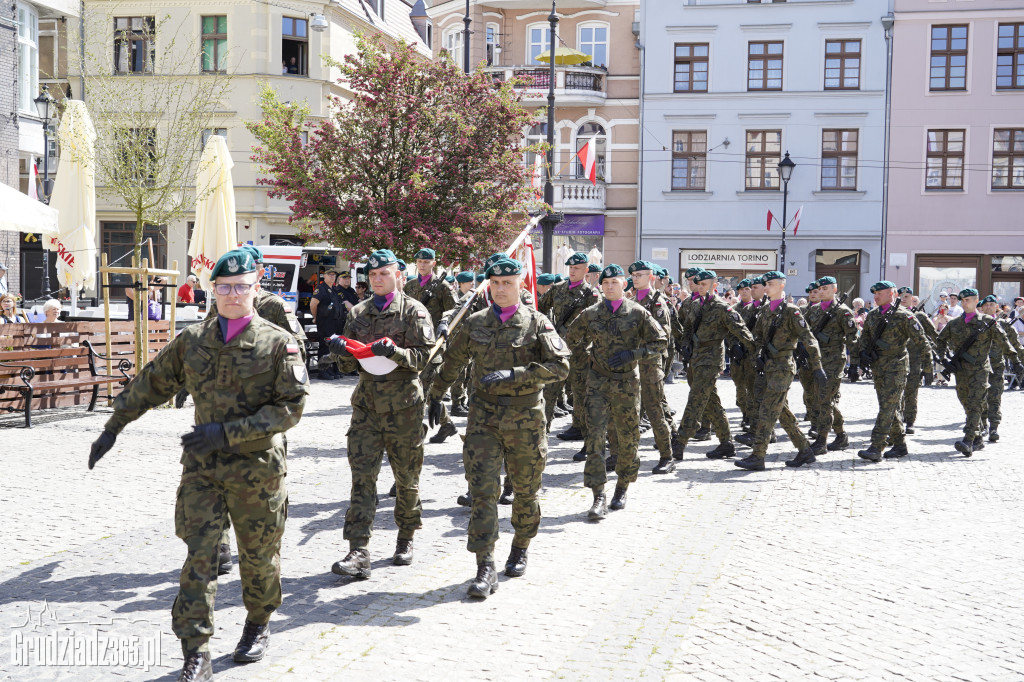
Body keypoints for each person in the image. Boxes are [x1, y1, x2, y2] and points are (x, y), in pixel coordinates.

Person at [87, 248, 309, 682]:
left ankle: (259, 622)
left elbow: (291, 409)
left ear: (256, 285)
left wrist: (227, 433)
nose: (231, 294)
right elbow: (152, 382)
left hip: (257, 470)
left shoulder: (278, 343)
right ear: (213, 290)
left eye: (241, 286)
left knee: (258, 557)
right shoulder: (194, 340)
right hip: (202, 469)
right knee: (199, 557)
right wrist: (114, 426)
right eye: (223, 287)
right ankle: (196, 650)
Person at [428, 257, 569, 597]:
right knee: (483, 493)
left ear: (520, 284)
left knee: (525, 491)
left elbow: (560, 367)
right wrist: (435, 393)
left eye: (508, 283)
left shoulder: (537, 323)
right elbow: (453, 360)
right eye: (495, 283)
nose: (501, 289)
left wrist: (517, 374)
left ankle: (520, 547)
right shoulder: (476, 322)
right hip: (484, 420)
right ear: (488, 285)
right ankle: (484, 565)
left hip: (526, 422)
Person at [328, 249, 434, 580]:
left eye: (384, 274)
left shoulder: (414, 311)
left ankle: (406, 537)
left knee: (406, 478)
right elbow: (350, 364)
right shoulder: (358, 312)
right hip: (367, 407)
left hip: (404, 408)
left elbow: (424, 358)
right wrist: (340, 352)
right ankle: (358, 550)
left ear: (397, 276)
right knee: (362, 478)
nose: (377, 279)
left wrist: (397, 352)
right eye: (372, 275)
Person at [566, 264, 667, 519]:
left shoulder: (638, 313)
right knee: (595, 439)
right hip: (598, 383)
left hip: (626, 384)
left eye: (615, 282)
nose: (610, 286)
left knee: (628, 438)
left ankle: (622, 487)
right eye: (606, 283)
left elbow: (661, 341)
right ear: (601, 285)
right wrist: (584, 355)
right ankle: (598, 495)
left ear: (624, 284)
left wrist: (635, 354)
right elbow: (568, 339)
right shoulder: (590, 313)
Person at [733, 271, 825, 471]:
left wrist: (817, 367)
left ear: (782, 285)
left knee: (767, 410)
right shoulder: (765, 310)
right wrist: (752, 352)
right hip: (766, 366)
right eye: (765, 284)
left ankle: (758, 456)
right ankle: (805, 450)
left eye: (771, 284)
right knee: (780, 410)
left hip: (782, 366)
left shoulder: (792, 311)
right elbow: (757, 338)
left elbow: (809, 339)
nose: (766, 287)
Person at [667, 269, 755, 469]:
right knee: (711, 401)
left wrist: (754, 354)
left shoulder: (722, 308)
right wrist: (685, 343)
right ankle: (726, 443)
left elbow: (742, 331)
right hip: (696, 358)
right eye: (698, 285)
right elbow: (687, 327)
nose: (700, 288)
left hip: (711, 359)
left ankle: (680, 442)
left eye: (704, 285)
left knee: (696, 399)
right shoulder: (696, 304)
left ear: (715, 286)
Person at [851, 281, 930, 462]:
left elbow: (922, 341)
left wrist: (928, 368)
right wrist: (861, 355)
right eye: (875, 293)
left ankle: (876, 446)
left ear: (892, 294)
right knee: (889, 407)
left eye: (880, 293)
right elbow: (864, 339)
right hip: (879, 368)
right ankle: (900, 445)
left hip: (897, 367)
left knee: (887, 407)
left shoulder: (904, 316)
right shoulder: (872, 315)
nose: (876, 296)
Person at [936, 288, 1020, 456]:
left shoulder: (987, 322)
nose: (965, 303)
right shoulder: (955, 324)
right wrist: (945, 360)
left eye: (968, 300)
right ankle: (978, 439)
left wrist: (1016, 361)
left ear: (976, 301)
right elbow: (940, 342)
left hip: (980, 370)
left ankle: (968, 440)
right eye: (963, 300)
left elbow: (1004, 342)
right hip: (960, 371)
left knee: (975, 403)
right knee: (966, 402)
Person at [538, 252, 601, 448]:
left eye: (577, 268)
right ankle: (542, 429)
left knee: (579, 391)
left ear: (586, 270)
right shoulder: (557, 289)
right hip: (556, 349)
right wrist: (547, 329)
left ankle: (578, 426)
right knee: (550, 389)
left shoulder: (591, 295)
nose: (572, 271)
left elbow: (596, 322)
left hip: (580, 350)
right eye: (571, 268)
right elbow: (539, 309)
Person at [628, 261, 679, 472]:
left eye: (639, 275)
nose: (635, 278)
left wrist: (640, 351)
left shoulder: (658, 303)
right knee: (628, 411)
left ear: (650, 278)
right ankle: (624, 455)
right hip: (630, 364)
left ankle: (667, 456)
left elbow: (663, 337)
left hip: (649, 364)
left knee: (654, 409)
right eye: (633, 275)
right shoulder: (628, 301)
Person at [403, 247, 459, 443]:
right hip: (412, 345)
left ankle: (416, 433)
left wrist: (444, 324)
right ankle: (446, 423)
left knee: (422, 388)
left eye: (426, 262)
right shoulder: (409, 286)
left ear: (433, 263)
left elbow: (455, 312)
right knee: (421, 390)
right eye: (419, 262)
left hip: (434, 346)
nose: (422, 265)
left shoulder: (443, 286)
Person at [807, 277, 859, 454]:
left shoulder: (843, 312)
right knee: (823, 400)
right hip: (816, 360)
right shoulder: (812, 311)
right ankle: (841, 435)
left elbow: (853, 338)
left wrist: (855, 365)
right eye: (819, 288)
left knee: (824, 400)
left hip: (834, 361)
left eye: (825, 288)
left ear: (834, 289)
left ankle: (821, 441)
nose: (821, 291)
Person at [980, 294, 1024, 441]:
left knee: (995, 397)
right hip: (978, 368)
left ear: (996, 307)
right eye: (986, 305)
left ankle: (993, 428)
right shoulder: (976, 324)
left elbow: (1016, 346)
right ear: (981, 307)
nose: (988, 307)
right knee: (979, 398)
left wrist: (1020, 363)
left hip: (997, 367)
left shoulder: (1005, 325)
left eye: (992, 305)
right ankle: (981, 424)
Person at [897, 287, 938, 434]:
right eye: (901, 295)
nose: (903, 298)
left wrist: (930, 363)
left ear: (912, 299)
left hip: (914, 360)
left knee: (911, 391)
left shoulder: (919, 316)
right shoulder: (892, 314)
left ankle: (910, 421)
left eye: (907, 296)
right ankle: (897, 418)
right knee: (896, 391)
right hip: (896, 359)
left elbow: (934, 334)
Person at [311, 269, 344, 379]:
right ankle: (323, 371)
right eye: (329, 275)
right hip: (325, 322)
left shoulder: (334, 289)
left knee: (334, 347)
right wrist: (316, 317)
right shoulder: (321, 289)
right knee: (325, 347)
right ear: (324, 276)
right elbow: (313, 304)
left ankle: (331, 370)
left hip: (336, 322)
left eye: (334, 275)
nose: (332, 277)